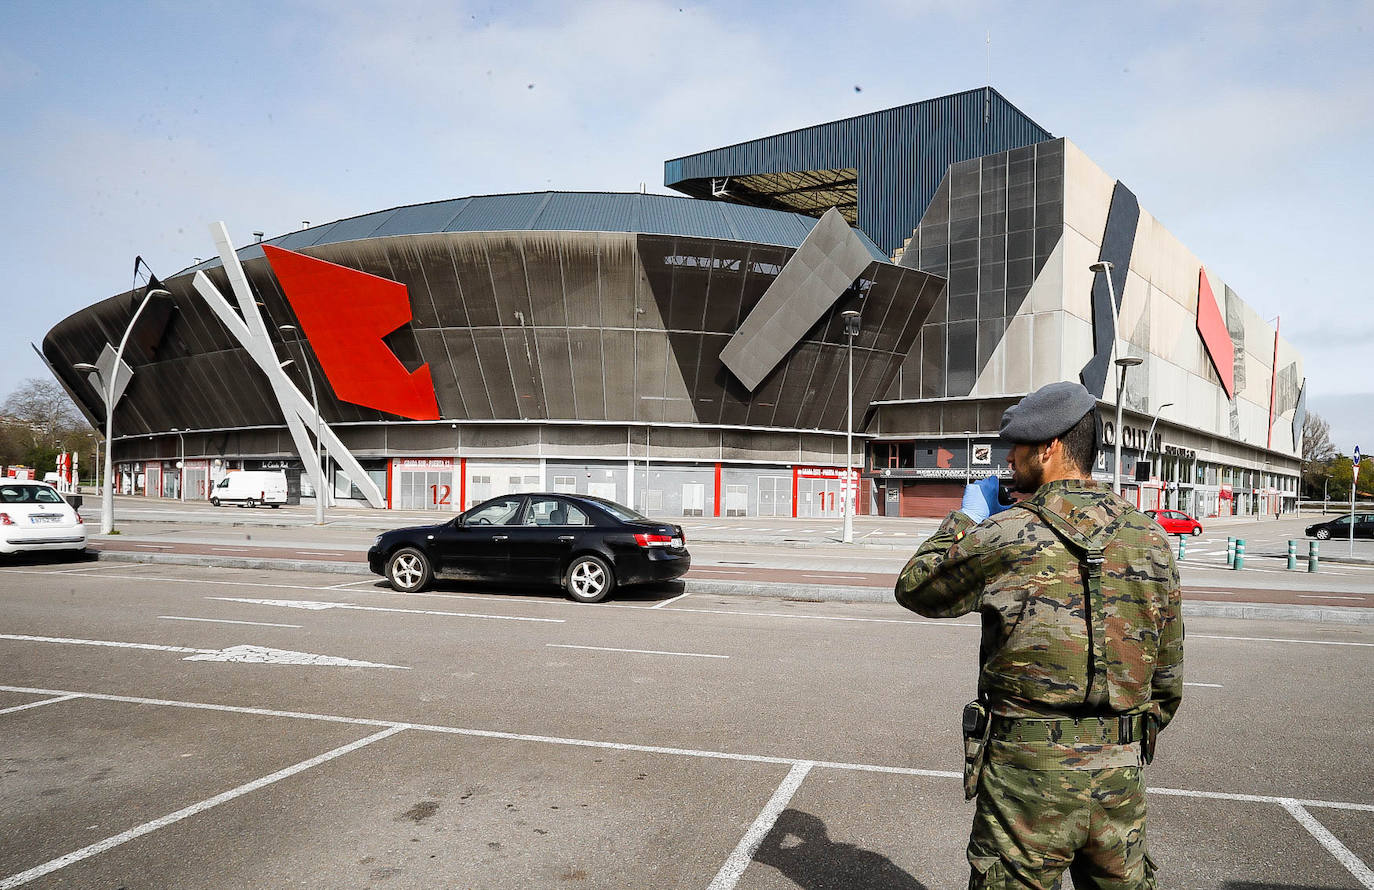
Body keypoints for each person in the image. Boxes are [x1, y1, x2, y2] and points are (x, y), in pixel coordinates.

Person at [895, 381, 1183, 890]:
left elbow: (916, 586)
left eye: (1017, 448)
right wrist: (1115, 739)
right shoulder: (1151, 539)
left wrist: (966, 516)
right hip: (1120, 776)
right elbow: (1167, 677)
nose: (1009, 460)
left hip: (1025, 779)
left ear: (1048, 449)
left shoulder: (1006, 534)